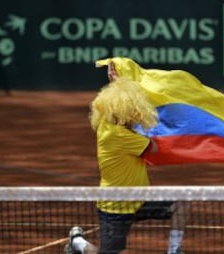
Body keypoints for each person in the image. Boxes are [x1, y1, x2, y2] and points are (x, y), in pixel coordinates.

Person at [64, 73, 187, 254]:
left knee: (180, 204)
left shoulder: (106, 123)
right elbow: (153, 147)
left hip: (140, 200)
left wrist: (117, 80)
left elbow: (117, 97)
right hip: (116, 207)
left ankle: (174, 250)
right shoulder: (121, 137)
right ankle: (78, 244)